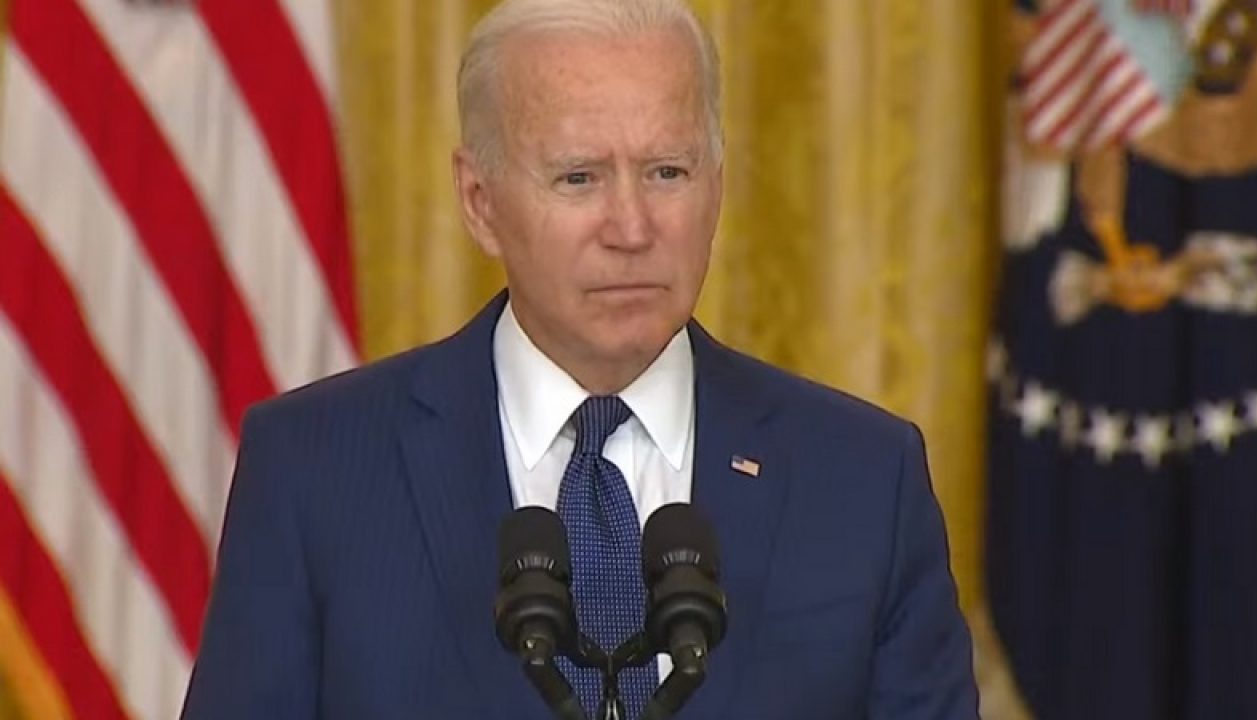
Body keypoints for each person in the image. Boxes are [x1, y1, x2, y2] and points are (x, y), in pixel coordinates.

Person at [181, 0, 978, 717]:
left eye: (667, 172)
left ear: (717, 185)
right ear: (479, 202)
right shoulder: (315, 469)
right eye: (579, 177)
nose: (631, 227)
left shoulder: (864, 478)